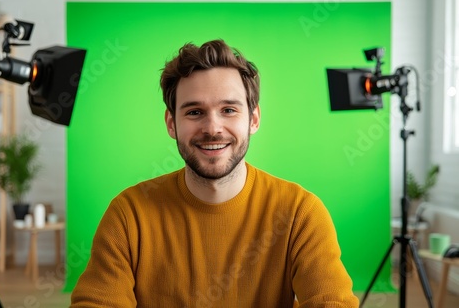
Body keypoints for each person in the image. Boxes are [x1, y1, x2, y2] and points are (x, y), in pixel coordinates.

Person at [70, 39, 359, 307]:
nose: (213, 128)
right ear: (171, 123)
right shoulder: (128, 215)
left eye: (229, 110)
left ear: (253, 118)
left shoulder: (300, 213)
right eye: (194, 112)